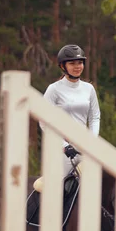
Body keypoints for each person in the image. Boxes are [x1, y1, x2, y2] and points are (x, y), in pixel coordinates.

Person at [39, 44, 101, 177]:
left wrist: (93, 140)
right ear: (63, 66)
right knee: (57, 188)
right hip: (63, 150)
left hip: (85, 148)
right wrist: (64, 145)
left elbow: (95, 116)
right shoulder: (54, 89)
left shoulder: (89, 89)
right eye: (72, 63)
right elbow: (43, 122)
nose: (77, 66)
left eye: (80, 62)